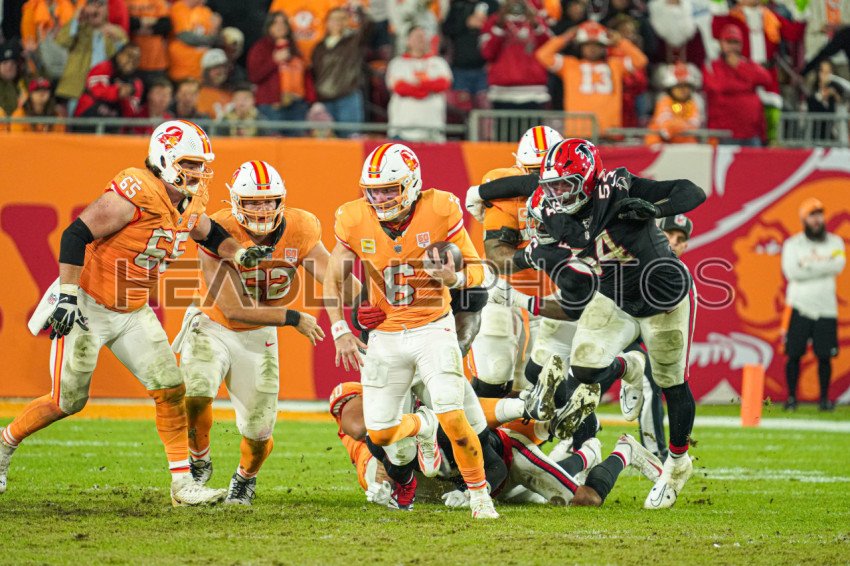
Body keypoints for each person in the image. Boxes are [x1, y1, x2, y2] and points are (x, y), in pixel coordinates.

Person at [0, 120, 271, 504]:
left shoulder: (189, 201)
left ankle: (182, 484)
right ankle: (5, 443)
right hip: (88, 305)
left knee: (171, 390)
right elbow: (75, 234)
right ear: (164, 158)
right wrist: (68, 296)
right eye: (189, 163)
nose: (197, 172)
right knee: (67, 401)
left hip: (133, 311)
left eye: (200, 164)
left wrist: (240, 254)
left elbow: (207, 231)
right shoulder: (136, 191)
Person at [466, 137, 706, 509]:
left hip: (664, 297)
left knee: (671, 383)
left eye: (566, 186)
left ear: (590, 180)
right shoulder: (551, 212)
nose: (557, 195)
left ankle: (677, 464)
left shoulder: (617, 188)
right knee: (584, 367)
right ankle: (629, 367)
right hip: (613, 297)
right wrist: (480, 193)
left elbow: (691, 191)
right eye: (552, 187)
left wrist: (654, 207)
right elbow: (526, 188)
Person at [323, 143, 498, 519]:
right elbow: (333, 279)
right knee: (381, 433)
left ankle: (480, 495)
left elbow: (479, 270)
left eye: (389, 189)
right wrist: (340, 328)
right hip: (385, 337)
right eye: (373, 191)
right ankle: (423, 425)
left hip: (433, 328)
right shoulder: (353, 217)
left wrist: (454, 278)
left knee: (453, 413)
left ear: (412, 184)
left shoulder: (440, 208)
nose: (380, 198)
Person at [177, 160, 352, 505]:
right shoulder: (218, 229)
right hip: (212, 324)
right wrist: (292, 317)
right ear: (236, 202)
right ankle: (199, 459)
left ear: (280, 200)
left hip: (259, 334)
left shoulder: (300, 228)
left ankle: (245, 478)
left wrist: (379, 302)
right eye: (253, 202)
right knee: (196, 392)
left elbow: (337, 281)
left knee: (258, 431)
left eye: (268, 200)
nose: (261, 209)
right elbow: (234, 309)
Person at [467, 125, 574, 398]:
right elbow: (497, 256)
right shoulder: (504, 188)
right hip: (505, 290)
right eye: (535, 171)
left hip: (555, 293)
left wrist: (481, 191)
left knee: (545, 383)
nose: (544, 178)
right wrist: (533, 255)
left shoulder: (580, 189)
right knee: (494, 375)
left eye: (550, 169)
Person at [781, 198, 846, 411]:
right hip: (798, 306)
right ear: (803, 219)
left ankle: (824, 400)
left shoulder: (835, 242)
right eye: (812, 215)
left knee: (825, 356)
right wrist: (824, 264)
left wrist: (807, 265)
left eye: (819, 214)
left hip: (826, 308)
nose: (817, 219)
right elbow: (793, 272)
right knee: (794, 354)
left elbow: (838, 265)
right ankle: (791, 398)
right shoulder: (792, 244)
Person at [536, 21, 648, 138]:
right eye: (587, 45)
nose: (592, 49)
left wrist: (620, 41)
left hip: (608, 133)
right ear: (581, 47)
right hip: (578, 133)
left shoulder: (615, 65)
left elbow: (641, 60)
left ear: (604, 47)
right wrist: (566, 37)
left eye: (597, 45)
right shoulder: (569, 65)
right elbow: (543, 55)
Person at [702, 24, 772, 146]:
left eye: (736, 42)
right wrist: (747, 83)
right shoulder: (711, 66)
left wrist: (739, 67)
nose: (733, 46)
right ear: (721, 44)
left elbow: (766, 79)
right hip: (724, 134)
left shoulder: (747, 64)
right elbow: (719, 86)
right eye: (729, 42)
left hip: (752, 133)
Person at [480, 0, 552, 117]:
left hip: (534, 91)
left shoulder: (537, 20)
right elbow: (487, 53)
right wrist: (500, 25)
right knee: (503, 130)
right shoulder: (495, 20)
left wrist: (536, 24)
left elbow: (549, 49)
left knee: (533, 130)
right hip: (502, 92)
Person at [55, 0, 128, 113]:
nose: (95, 9)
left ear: (107, 10)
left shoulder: (116, 31)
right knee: (74, 123)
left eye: (100, 5)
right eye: (92, 5)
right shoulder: (78, 27)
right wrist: (76, 19)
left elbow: (127, 59)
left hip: (104, 90)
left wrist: (116, 38)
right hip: (76, 90)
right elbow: (61, 42)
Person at [247, 11, 309, 135]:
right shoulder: (261, 47)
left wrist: (308, 99)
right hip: (271, 105)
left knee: (298, 144)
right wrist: (274, 61)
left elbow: (305, 76)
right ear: (269, 27)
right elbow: (254, 76)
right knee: (271, 143)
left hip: (297, 106)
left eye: (283, 23)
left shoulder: (294, 48)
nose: (280, 26)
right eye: (275, 23)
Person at [385, 26, 452, 142]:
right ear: (407, 40)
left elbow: (443, 84)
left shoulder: (439, 63)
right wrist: (427, 88)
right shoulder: (397, 63)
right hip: (402, 129)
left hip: (433, 130)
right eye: (417, 36)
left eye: (423, 36)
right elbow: (399, 88)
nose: (421, 39)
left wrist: (417, 85)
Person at [311, 7, 366, 136]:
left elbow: (368, 26)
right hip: (324, 99)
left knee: (350, 138)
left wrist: (359, 10)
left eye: (342, 18)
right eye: (334, 19)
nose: (337, 22)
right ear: (327, 22)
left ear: (347, 22)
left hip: (347, 97)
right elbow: (314, 73)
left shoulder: (353, 41)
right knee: (326, 142)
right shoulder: (319, 47)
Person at [442, 0, 499, 110]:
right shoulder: (457, 6)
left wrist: (485, 25)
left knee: (485, 110)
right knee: (461, 110)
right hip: (460, 69)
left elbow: (501, 28)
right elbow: (446, 29)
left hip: (486, 69)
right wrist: (466, 23)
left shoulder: (492, 4)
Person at [74, 43, 144, 121]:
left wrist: (125, 97)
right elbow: (96, 91)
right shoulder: (104, 67)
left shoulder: (136, 83)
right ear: (119, 55)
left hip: (114, 122)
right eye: (129, 55)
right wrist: (118, 91)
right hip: (87, 117)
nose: (132, 60)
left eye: (136, 59)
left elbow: (131, 113)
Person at [646, 62, 704, 145]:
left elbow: (694, 125)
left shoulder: (693, 103)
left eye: (686, 86)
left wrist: (678, 125)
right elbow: (664, 123)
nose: (683, 90)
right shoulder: (664, 100)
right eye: (678, 86)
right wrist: (681, 125)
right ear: (670, 88)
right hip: (663, 144)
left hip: (685, 144)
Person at [168, 0, 221, 82]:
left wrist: (215, 31)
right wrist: (211, 39)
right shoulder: (179, 8)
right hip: (182, 69)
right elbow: (186, 37)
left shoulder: (205, 11)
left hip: (201, 69)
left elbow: (215, 35)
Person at [126, 0, 172, 84]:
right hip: (131, 62)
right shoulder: (125, 2)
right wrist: (152, 21)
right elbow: (127, 23)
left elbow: (165, 25)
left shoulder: (158, 1)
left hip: (156, 61)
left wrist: (140, 27)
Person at [197, 48, 231, 119]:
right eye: (216, 68)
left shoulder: (230, 93)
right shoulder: (199, 94)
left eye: (223, 67)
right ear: (206, 72)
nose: (221, 71)